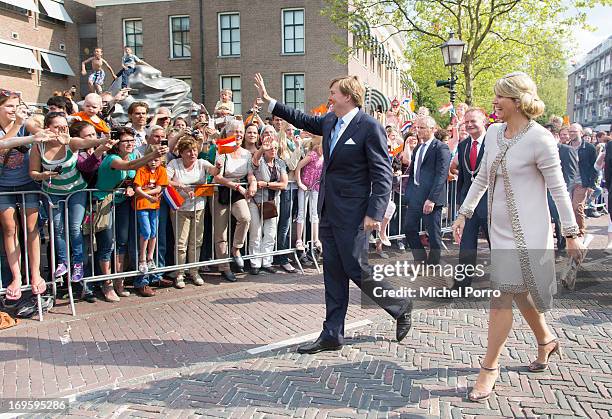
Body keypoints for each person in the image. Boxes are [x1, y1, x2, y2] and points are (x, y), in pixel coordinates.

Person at [254, 73, 413, 354]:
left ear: (348, 97)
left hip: (355, 212)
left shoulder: (369, 126)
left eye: (333, 92)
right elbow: (302, 119)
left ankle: (400, 305)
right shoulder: (329, 121)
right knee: (333, 272)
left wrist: (374, 212)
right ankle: (332, 333)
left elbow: (382, 172)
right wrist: (271, 103)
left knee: (355, 267)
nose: (329, 97)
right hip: (328, 207)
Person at [452, 72, 585, 402]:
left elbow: (558, 190)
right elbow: (482, 177)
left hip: (528, 232)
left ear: (517, 101)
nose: (494, 102)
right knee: (520, 293)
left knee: (501, 299)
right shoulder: (495, 132)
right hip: (499, 232)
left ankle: (489, 368)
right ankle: (545, 340)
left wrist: (571, 234)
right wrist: (464, 213)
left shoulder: (541, 139)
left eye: (500, 97)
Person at [94, 127, 168, 302]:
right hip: (105, 202)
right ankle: (107, 284)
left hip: (122, 203)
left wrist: (129, 186)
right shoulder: (113, 158)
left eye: (132, 140)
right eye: (125, 141)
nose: (129, 144)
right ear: (117, 144)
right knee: (107, 244)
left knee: (122, 242)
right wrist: (153, 154)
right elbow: (128, 166)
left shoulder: (135, 155)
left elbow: (132, 177)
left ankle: (119, 281)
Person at [29, 112, 103, 283]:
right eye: (57, 126)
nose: (61, 130)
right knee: (57, 228)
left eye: (64, 126)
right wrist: (43, 174)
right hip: (53, 191)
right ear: (48, 127)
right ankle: (63, 262)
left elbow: (86, 142)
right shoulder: (38, 146)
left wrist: (102, 141)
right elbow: (32, 172)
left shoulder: (71, 142)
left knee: (75, 228)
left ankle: (78, 263)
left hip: (76, 190)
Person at [0, 90, 47, 300]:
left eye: (17, 106)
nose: (14, 110)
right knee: (10, 230)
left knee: (31, 229)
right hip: (3, 185)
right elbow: (1, 147)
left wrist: (46, 132)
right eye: (10, 106)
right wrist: (20, 126)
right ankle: (16, 276)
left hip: (27, 183)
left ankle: (36, 274)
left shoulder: (25, 123)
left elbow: (39, 131)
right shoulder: (15, 126)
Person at [167, 135, 219, 287]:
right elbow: (165, 180)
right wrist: (181, 186)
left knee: (196, 241)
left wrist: (219, 166)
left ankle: (194, 272)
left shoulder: (201, 163)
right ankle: (180, 274)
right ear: (181, 152)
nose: (193, 154)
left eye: (195, 150)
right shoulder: (174, 163)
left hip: (199, 208)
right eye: (189, 151)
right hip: (179, 208)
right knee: (181, 243)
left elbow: (214, 171)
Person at [402, 115, 451, 265]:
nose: (418, 130)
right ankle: (420, 259)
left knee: (433, 234)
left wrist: (432, 199)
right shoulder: (418, 148)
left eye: (422, 128)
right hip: (416, 196)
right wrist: (409, 195)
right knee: (409, 228)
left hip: (431, 198)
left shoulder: (441, 147)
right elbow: (413, 172)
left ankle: (434, 262)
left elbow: (441, 174)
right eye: (417, 127)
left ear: (433, 129)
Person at [451, 108, 489, 290]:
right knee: (466, 245)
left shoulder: (495, 143)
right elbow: (465, 177)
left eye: (473, 121)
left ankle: (506, 283)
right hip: (469, 206)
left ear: (484, 121)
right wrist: (461, 203)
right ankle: (462, 285)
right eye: (466, 122)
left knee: (496, 245)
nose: (469, 125)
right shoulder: (464, 145)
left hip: (490, 204)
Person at [213, 119, 253, 282]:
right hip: (222, 191)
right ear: (227, 133)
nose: (238, 134)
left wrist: (253, 183)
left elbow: (250, 173)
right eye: (235, 131)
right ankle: (224, 267)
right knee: (221, 232)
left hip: (238, 192)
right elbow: (217, 176)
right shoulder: (222, 150)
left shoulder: (246, 153)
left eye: (241, 131)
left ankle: (236, 248)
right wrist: (237, 186)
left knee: (245, 218)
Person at [247, 135, 288, 274]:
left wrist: (267, 185)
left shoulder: (280, 163)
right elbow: (254, 160)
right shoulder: (260, 160)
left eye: (275, 148)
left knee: (270, 233)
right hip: (257, 202)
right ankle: (255, 263)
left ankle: (267, 261)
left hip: (273, 202)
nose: (273, 150)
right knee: (256, 233)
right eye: (270, 148)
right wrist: (261, 150)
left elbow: (284, 184)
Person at [133, 153, 168, 294]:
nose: (153, 162)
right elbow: (137, 188)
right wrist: (148, 196)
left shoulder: (162, 170)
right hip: (142, 204)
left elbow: (160, 187)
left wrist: (149, 193)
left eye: (156, 160)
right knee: (146, 232)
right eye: (151, 159)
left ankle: (150, 258)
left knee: (154, 232)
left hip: (155, 206)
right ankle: (142, 258)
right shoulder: (142, 170)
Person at [295, 136, 324, 253]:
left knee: (314, 213)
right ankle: (299, 240)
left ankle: (316, 239)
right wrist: (300, 183)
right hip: (305, 187)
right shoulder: (312, 155)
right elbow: (298, 167)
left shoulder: (324, 158)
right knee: (302, 212)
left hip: (315, 187)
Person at [568, 123, 598, 236]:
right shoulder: (565, 147)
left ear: (581, 133)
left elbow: (595, 168)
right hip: (567, 182)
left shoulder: (589, 148)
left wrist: (591, 185)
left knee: (577, 207)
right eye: (570, 131)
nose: (571, 133)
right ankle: (569, 232)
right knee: (567, 209)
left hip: (582, 183)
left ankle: (580, 232)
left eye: (574, 131)